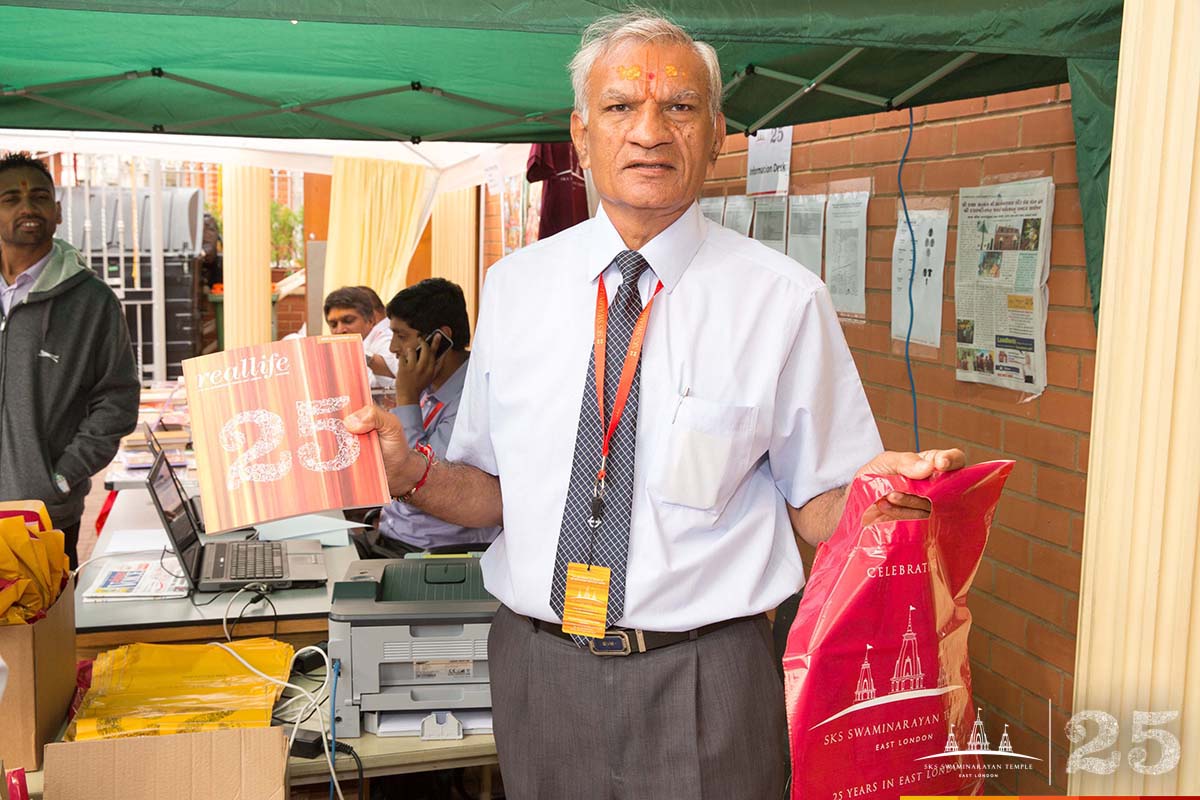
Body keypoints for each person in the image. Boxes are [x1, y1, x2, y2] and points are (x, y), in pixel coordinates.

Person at [347, 10, 964, 799]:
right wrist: (410, 470)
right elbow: (492, 492)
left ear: (716, 132)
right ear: (580, 133)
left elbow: (819, 500)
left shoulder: (782, 300)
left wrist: (882, 499)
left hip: (708, 676)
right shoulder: (517, 288)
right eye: (619, 108)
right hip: (541, 670)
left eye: (678, 107)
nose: (648, 131)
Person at [0, 153, 139, 567]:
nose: (28, 207)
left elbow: (116, 399)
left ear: (57, 212)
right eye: (10, 199)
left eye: (40, 197)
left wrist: (60, 477)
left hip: (42, 517)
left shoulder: (91, 302)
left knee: (45, 631)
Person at [354, 278, 500, 557]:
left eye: (402, 336)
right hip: (394, 536)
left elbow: (421, 480)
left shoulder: (469, 399)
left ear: (439, 339)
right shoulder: (429, 386)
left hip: (431, 553)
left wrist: (406, 397)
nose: (394, 347)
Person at [323, 285, 397, 392]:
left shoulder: (386, 341)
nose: (340, 330)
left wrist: (356, 351)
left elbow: (395, 379)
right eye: (333, 324)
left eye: (348, 321)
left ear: (370, 320)